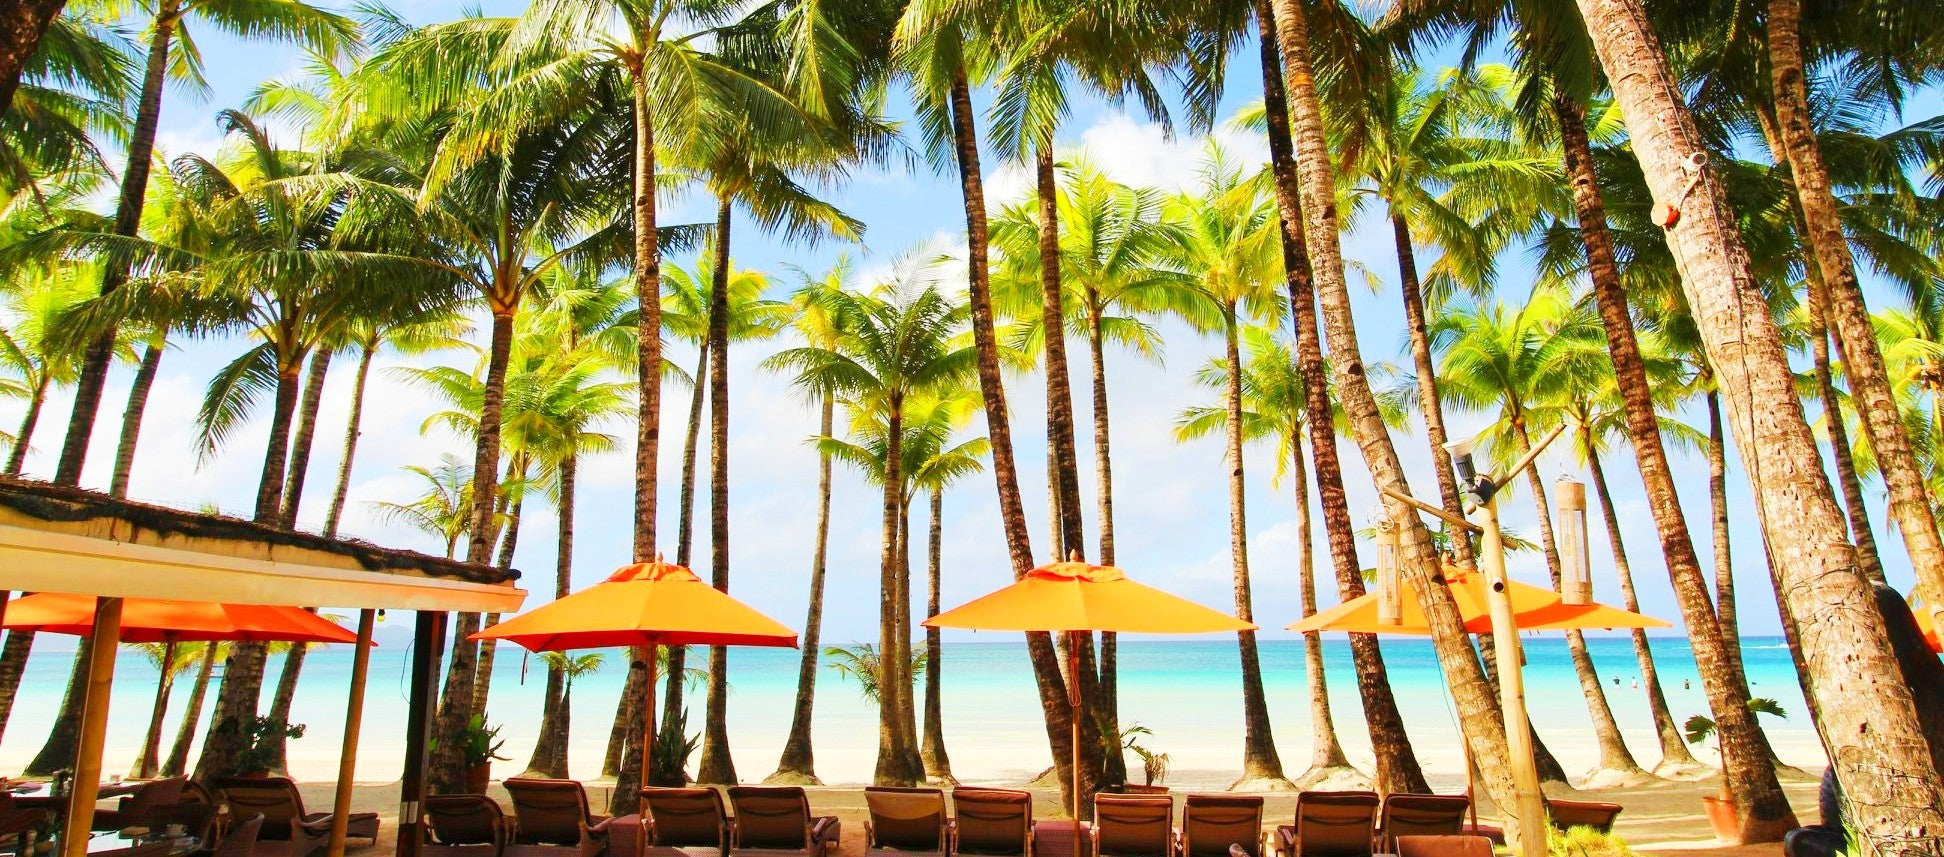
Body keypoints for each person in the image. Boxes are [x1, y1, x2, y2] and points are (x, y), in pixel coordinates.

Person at [1783, 583, 1944, 857]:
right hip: (1878, 821)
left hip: (1902, 824)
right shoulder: (1909, 686)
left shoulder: (1892, 696)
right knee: (1800, 840)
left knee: (1799, 842)